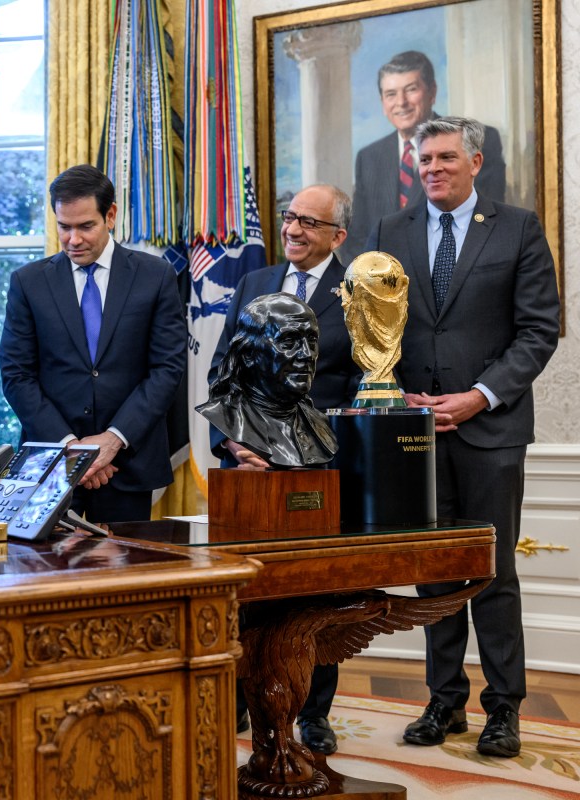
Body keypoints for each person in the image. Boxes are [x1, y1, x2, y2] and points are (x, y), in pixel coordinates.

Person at [366, 116, 559, 758]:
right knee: (433, 575)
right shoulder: (391, 232)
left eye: (446, 157)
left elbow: (538, 330)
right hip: (414, 433)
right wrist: (393, 394)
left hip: (492, 431)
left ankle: (503, 709)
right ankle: (443, 702)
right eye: (424, 160)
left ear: (475, 162)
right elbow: (375, 329)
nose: (433, 168)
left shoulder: (518, 228)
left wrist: (478, 397)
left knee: (493, 573)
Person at [206, 183, 361, 752]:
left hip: (318, 466)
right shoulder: (254, 283)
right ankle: (246, 701)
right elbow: (225, 371)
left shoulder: (357, 290)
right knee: (249, 587)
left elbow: (360, 382)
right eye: (290, 217)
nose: (293, 230)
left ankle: (314, 712)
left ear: (337, 236)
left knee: (316, 593)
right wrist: (237, 445)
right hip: (249, 468)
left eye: (309, 223)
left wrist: (309, 447)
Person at [0, 165, 186, 523]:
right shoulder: (28, 282)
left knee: (129, 572)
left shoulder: (155, 276)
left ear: (110, 215)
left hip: (128, 464)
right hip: (52, 465)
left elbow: (167, 369)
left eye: (85, 226)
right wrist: (71, 447)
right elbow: (16, 375)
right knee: (51, 575)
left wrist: (113, 440)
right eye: (63, 227)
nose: (73, 239)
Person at [346, 50, 505, 261]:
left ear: (432, 92)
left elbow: (486, 227)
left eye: (411, 90)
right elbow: (357, 237)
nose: (401, 102)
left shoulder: (479, 139)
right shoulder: (369, 157)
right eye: (391, 94)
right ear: (382, 101)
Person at [199, 294, 336, 469]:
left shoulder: (320, 427)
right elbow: (219, 376)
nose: (307, 354)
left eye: (311, 340)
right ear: (248, 354)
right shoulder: (250, 282)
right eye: (288, 342)